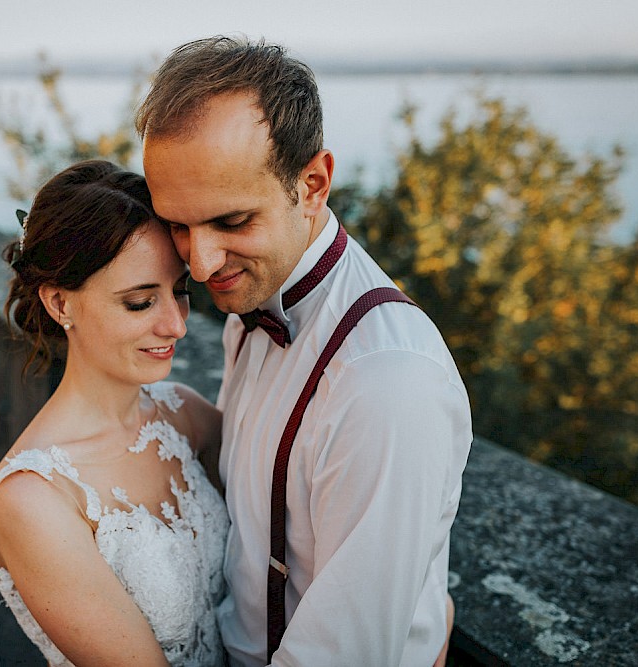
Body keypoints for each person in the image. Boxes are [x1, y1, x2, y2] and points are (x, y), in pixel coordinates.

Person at [137, 37, 473, 666]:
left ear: (313, 183)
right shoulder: (254, 301)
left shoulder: (387, 383)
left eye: (233, 221)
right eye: (179, 225)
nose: (202, 264)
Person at [0, 160, 229, 666]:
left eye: (179, 291)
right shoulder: (33, 499)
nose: (176, 325)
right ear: (60, 304)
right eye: (139, 303)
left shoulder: (186, 416)